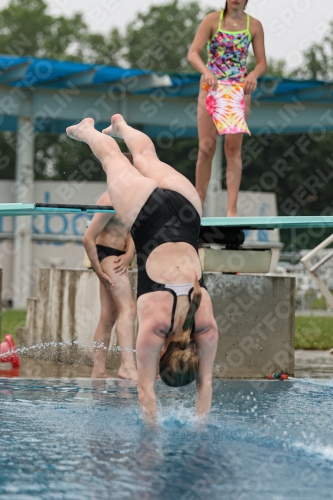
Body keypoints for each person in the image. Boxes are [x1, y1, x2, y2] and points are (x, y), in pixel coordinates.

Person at [67, 115, 218, 425]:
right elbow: (145, 392)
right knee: (111, 159)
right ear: (162, 354)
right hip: (147, 214)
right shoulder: (155, 328)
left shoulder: (205, 325)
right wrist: (154, 435)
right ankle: (86, 130)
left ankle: (121, 126)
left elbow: (206, 385)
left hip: (188, 209)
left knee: (146, 157)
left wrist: (200, 427)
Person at [187, 0, 268, 215]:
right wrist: (206, 71)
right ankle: (198, 207)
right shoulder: (213, 20)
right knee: (206, 148)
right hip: (211, 88)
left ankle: (231, 210)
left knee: (233, 149)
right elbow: (193, 53)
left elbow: (262, 63)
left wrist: (253, 74)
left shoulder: (254, 25)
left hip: (238, 90)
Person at [83, 189, 137, 380]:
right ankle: (127, 367)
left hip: (119, 256)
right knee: (128, 308)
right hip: (107, 256)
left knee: (109, 314)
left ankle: (98, 371)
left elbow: (131, 229)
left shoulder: (130, 196)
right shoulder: (109, 199)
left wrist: (129, 254)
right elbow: (88, 238)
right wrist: (98, 270)